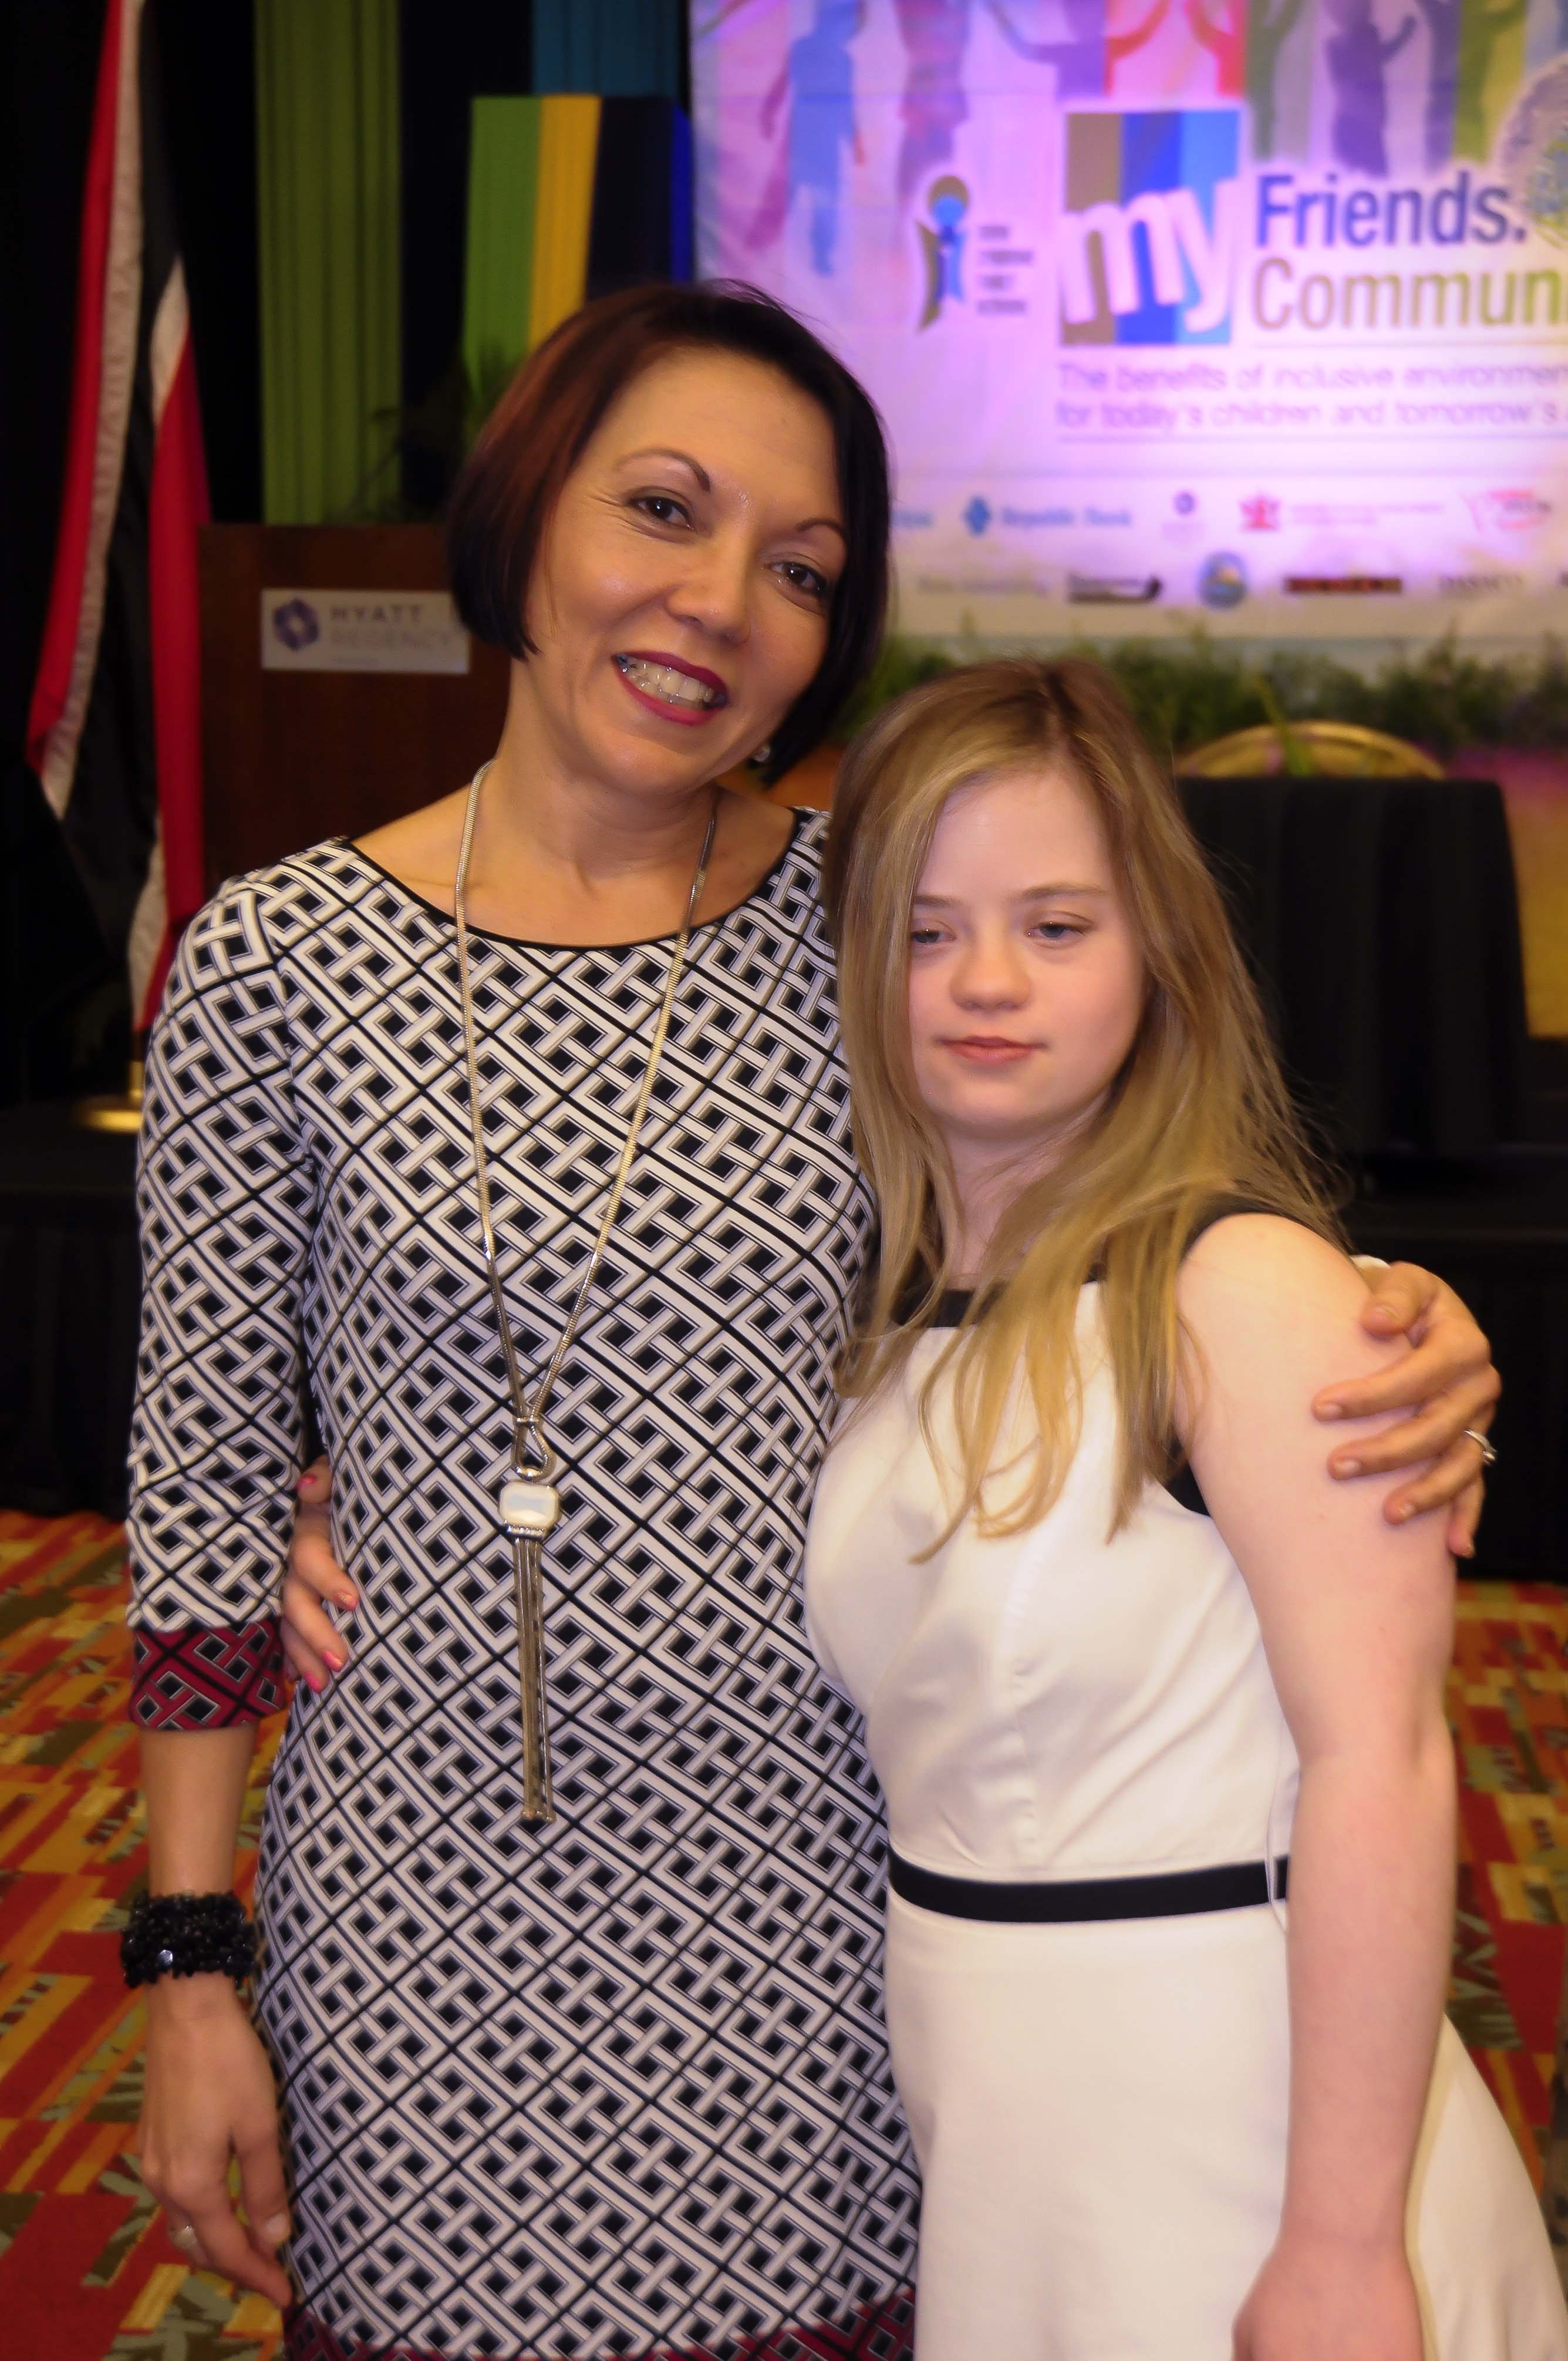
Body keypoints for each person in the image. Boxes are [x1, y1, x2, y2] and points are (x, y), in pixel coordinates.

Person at [128, 282, 1498, 2361]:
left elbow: (1142, 1199)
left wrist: (1398, 1318)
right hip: (418, 1914)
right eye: (663, 509)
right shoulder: (275, 962)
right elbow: (204, 1490)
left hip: (830, 1923)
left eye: (800, 567)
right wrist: (182, 1964)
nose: (719, 602)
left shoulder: (878, 918)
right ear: (527, 512)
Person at [802, 656, 1562, 2360]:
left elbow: (1384, 1764)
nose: (985, 982)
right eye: (924, 931)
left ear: (1158, 947)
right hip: (1000, 2115)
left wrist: (1344, 2246)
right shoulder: (883, 1311)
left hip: (1240, 2121)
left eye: (1057, 926)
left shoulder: (1238, 1287)